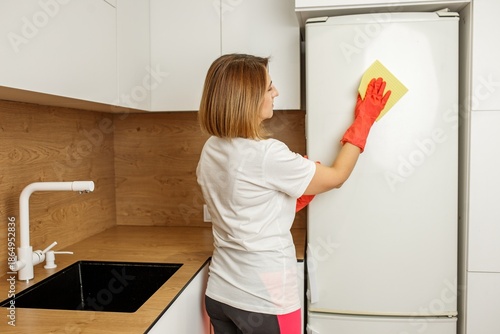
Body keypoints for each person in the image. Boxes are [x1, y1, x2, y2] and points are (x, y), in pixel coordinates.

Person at [196, 53, 391, 334]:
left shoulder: (211, 148)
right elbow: (337, 176)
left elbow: (244, 204)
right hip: (266, 301)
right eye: (269, 87)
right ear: (247, 98)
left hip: (221, 295)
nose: (276, 92)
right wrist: (365, 119)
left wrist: (293, 193)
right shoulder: (267, 154)